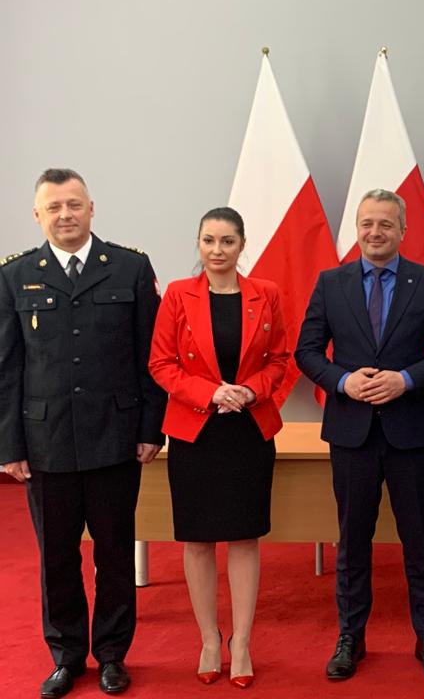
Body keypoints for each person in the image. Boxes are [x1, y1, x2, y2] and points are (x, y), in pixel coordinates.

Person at [0, 168, 166, 698]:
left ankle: (113, 655)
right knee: (57, 557)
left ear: (91, 208)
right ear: (37, 215)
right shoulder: (14, 275)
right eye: (54, 207)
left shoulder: (130, 267)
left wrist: (151, 428)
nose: (65, 215)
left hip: (116, 436)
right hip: (45, 442)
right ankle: (67, 657)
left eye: (74, 204)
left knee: (115, 554)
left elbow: (151, 356)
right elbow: (7, 369)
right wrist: (9, 445)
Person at [295, 188, 424, 682]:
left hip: (410, 431)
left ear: (402, 231)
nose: (375, 232)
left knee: (420, 540)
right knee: (352, 541)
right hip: (351, 432)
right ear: (357, 228)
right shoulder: (331, 283)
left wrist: (406, 379)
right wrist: (342, 381)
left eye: (385, 224)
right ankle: (350, 636)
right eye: (367, 223)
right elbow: (307, 351)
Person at [147, 207, 288, 689]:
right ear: (199, 243)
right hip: (196, 430)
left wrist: (249, 390)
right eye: (208, 240)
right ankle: (209, 638)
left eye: (227, 241)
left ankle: (241, 641)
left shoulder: (266, 294)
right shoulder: (177, 294)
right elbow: (161, 363)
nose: (217, 250)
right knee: (198, 539)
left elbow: (280, 359)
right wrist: (210, 393)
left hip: (248, 429)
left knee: (245, 537)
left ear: (242, 244)